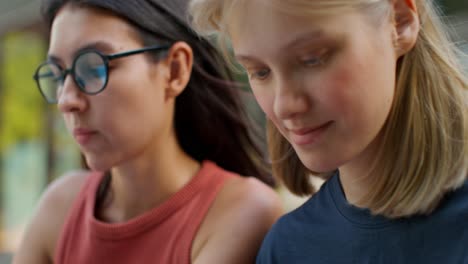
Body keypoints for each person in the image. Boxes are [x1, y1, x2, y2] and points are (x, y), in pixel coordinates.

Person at [189, 0, 468, 262]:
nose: (284, 105)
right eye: (260, 72)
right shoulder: (286, 249)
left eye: (313, 59)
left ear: (400, 21)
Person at [13, 0, 283, 263]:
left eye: (94, 67)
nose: (67, 101)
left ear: (175, 70)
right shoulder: (59, 209)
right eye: (59, 75)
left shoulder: (239, 213)